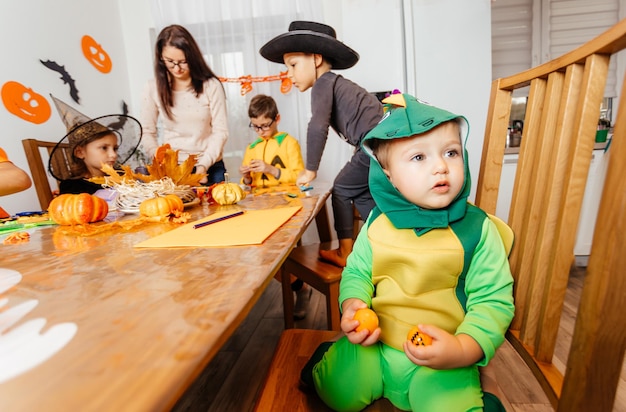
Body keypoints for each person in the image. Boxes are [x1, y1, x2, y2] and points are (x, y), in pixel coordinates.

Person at [302, 94, 515, 411]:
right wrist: (353, 304)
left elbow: (493, 300)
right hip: (377, 346)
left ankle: (485, 399)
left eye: (451, 152)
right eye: (419, 158)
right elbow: (358, 272)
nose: (441, 166)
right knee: (338, 392)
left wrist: (462, 349)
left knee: (447, 404)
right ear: (389, 174)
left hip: (441, 359)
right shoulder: (377, 222)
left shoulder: (478, 230)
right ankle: (327, 360)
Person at [260, 21, 383, 268]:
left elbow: (318, 125)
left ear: (316, 59)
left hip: (374, 144)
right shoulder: (335, 84)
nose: (290, 75)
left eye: (293, 66)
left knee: (340, 189)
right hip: (379, 145)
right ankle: (380, 247)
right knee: (361, 194)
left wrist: (310, 169)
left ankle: (345, 252)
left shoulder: (324, 83)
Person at [239, 94, 310, 317]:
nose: (260, 131)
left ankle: (300, 289)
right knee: (266, 257)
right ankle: (300, 287)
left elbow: (301, 177)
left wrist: (270, 169)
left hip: (287, 207)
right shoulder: (252, 147)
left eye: (265, 125)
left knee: (286, 255)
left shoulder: (289, 143)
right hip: (260, 209)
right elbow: (247, 185)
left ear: (277, 118)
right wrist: (247, 178)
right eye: (256, 126)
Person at [140, 24, 229, 186]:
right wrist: (159, 159)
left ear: (192, 57)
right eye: (170, 62)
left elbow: (221, 131)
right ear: (161, 57)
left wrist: (202, 166)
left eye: (182, 62)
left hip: (210, 166)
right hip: (173, 169)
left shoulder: (211, 85)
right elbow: (147, 132)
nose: (177, 68)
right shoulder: (152, 88)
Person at [49, 96, 142, 196]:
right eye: (104, 148)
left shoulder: (121, 178)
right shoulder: (73, 187)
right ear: (80, 153)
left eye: (115, 148)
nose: (113, 155)